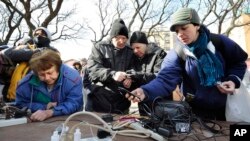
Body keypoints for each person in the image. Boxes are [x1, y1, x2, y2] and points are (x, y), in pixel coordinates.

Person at [126, 8, 248, 120]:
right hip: (194, 110)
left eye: (184, 28)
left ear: (197, 26)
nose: (180, 34)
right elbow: (165, 79)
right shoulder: (178, 52)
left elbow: (239, 63)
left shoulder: (220, 42)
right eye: (177, 31)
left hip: (226, 109)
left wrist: (233, 80)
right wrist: (145, 91)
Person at [15, 49, 83, 121]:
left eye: (50, 73)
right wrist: (44, 107)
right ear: (35, 73)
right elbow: (20, 104)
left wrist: (50, 112)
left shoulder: (73, 78)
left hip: (70, 120)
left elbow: (74, 103)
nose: (47, 78)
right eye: (42, 74)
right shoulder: (25, 84)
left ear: (58, 68)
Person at [85, 18, 133, 114]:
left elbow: (134, 69)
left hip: (121, 104)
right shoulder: (99, 47)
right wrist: (113, 74)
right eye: (118, 38)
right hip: (99, 102)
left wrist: (131, 78)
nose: (121, 41)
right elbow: (93, 68)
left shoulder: (130, 51)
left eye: (124, 38)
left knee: (121, 128)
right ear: (112, 37)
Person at [127, 31, 167, 115]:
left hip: (159, 102)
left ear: (146, 44)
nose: (135, 51)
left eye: (138, 47)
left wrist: (138, 75)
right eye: (133, 48)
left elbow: (159, 78)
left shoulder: (160, 54)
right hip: (141, 102)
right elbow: (134, 75)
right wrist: (129, 80)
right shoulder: (133, 58)